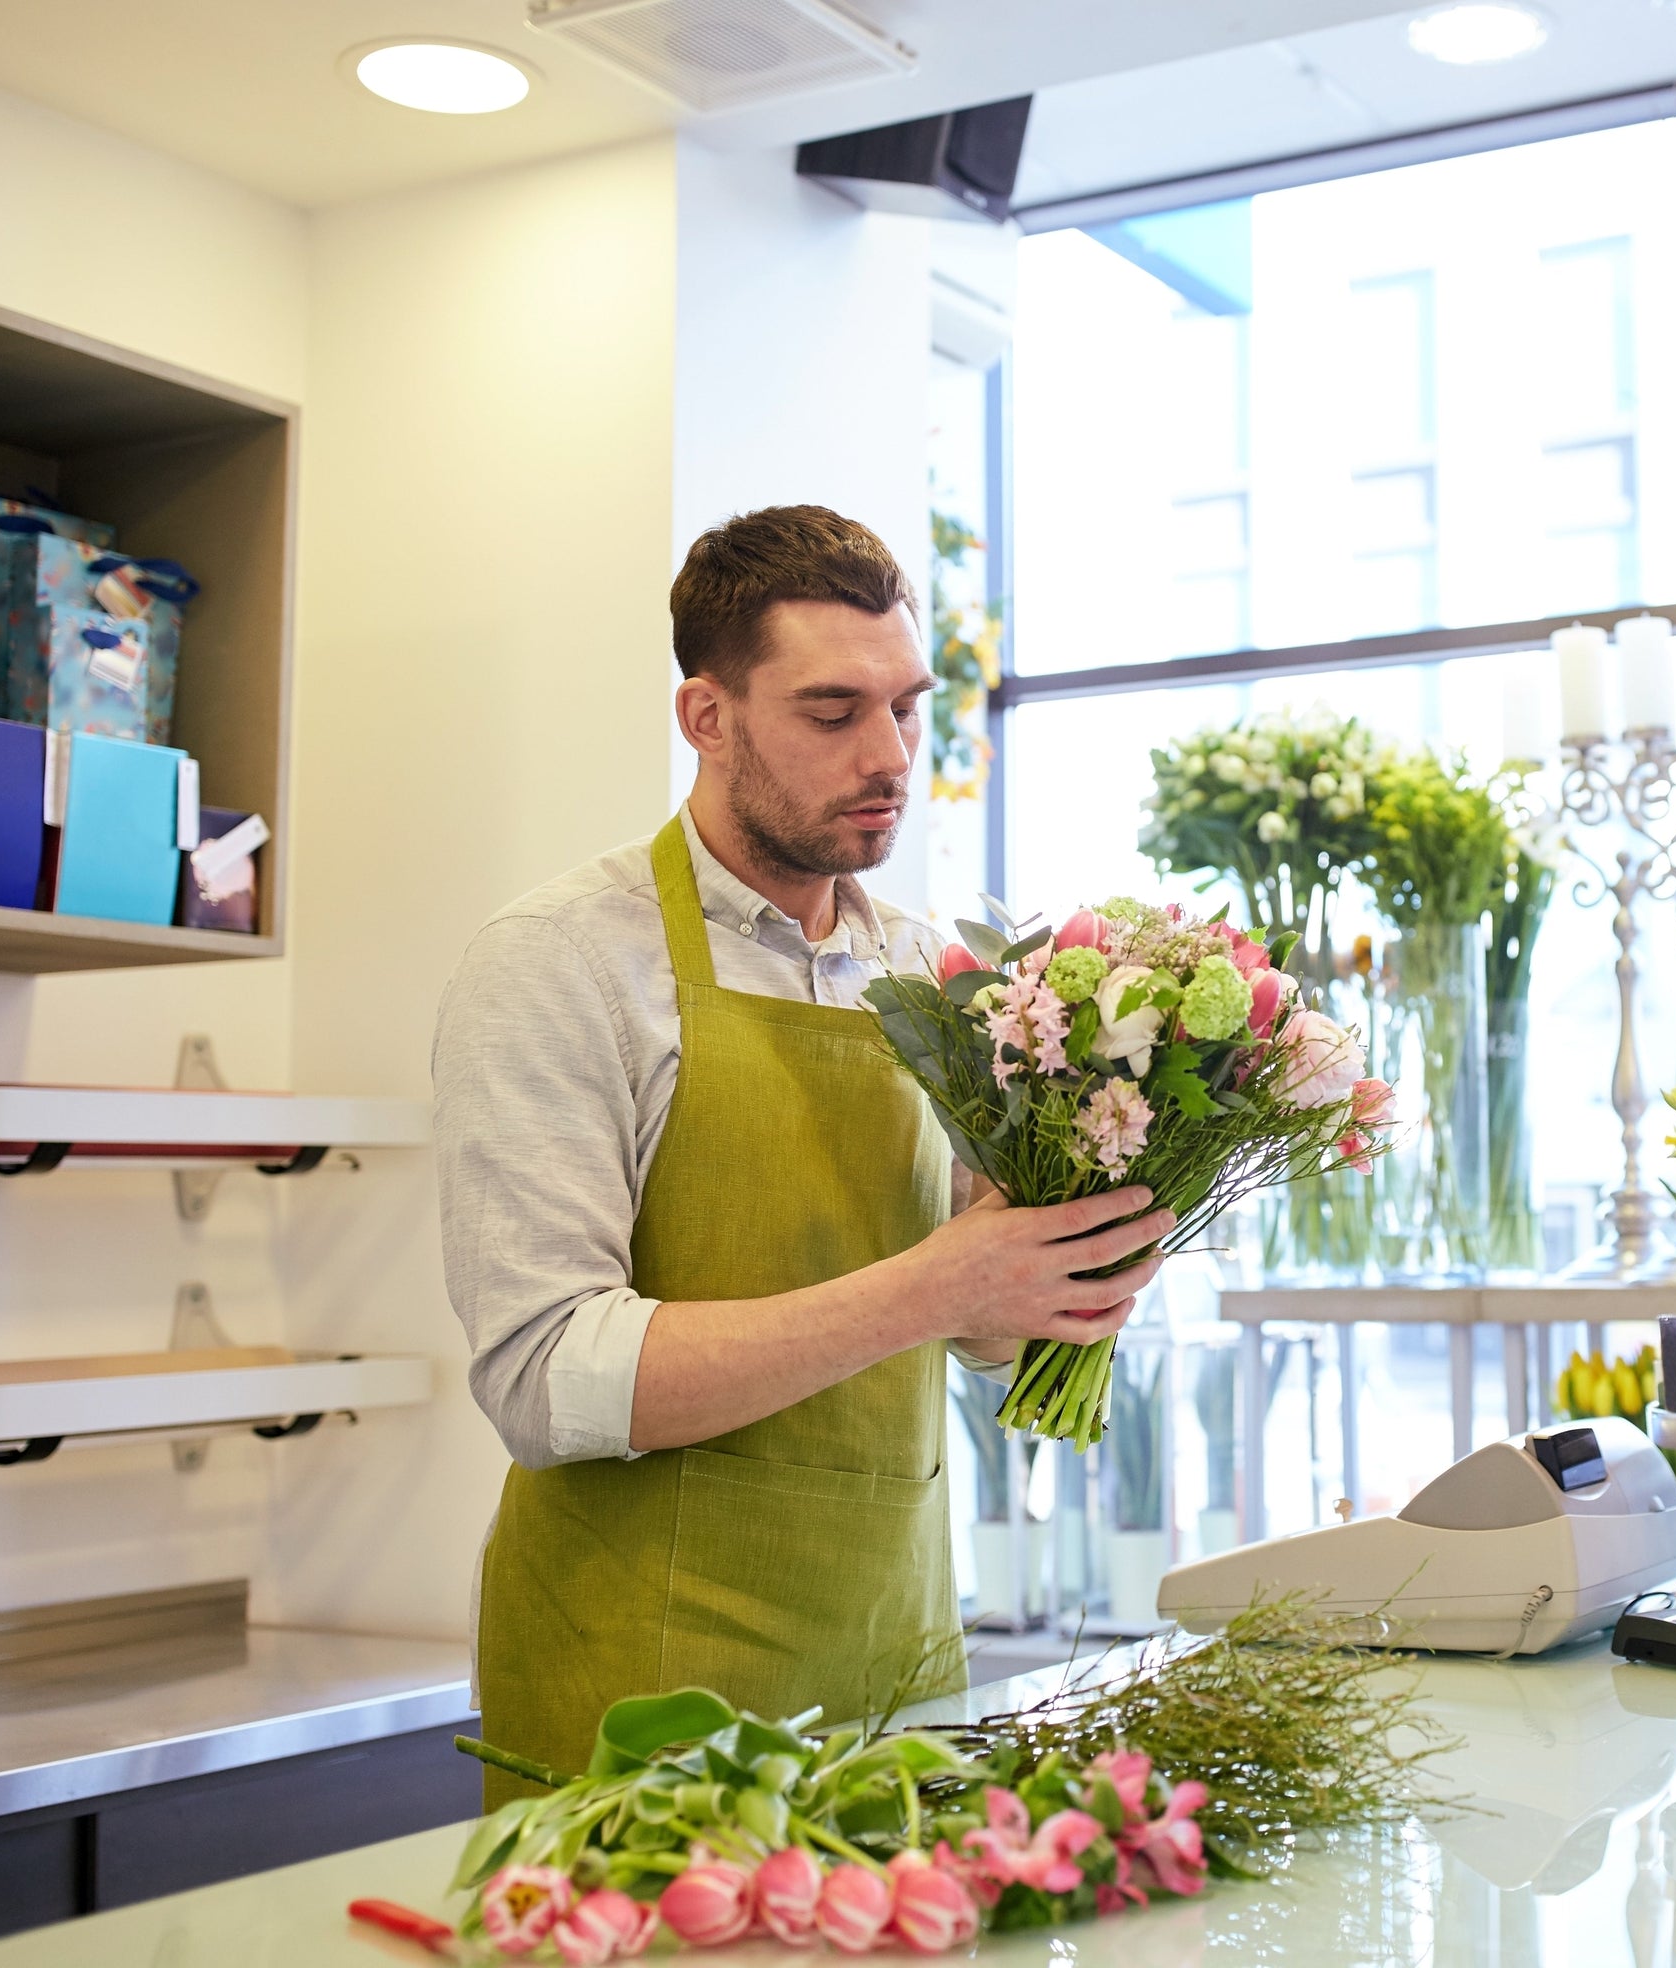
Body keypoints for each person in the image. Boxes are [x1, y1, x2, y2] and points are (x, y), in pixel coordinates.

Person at [433, 504, 1162, 1801]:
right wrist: (942, 1283)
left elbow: (981, 1338)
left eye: (907, 706)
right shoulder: (560, 964)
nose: (888, 754)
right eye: (833, 714)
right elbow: (548, 1380)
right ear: (705, 718)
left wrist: (1068, 1271)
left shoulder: (923, 971)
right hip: (644, 1708)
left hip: (897, 1677)